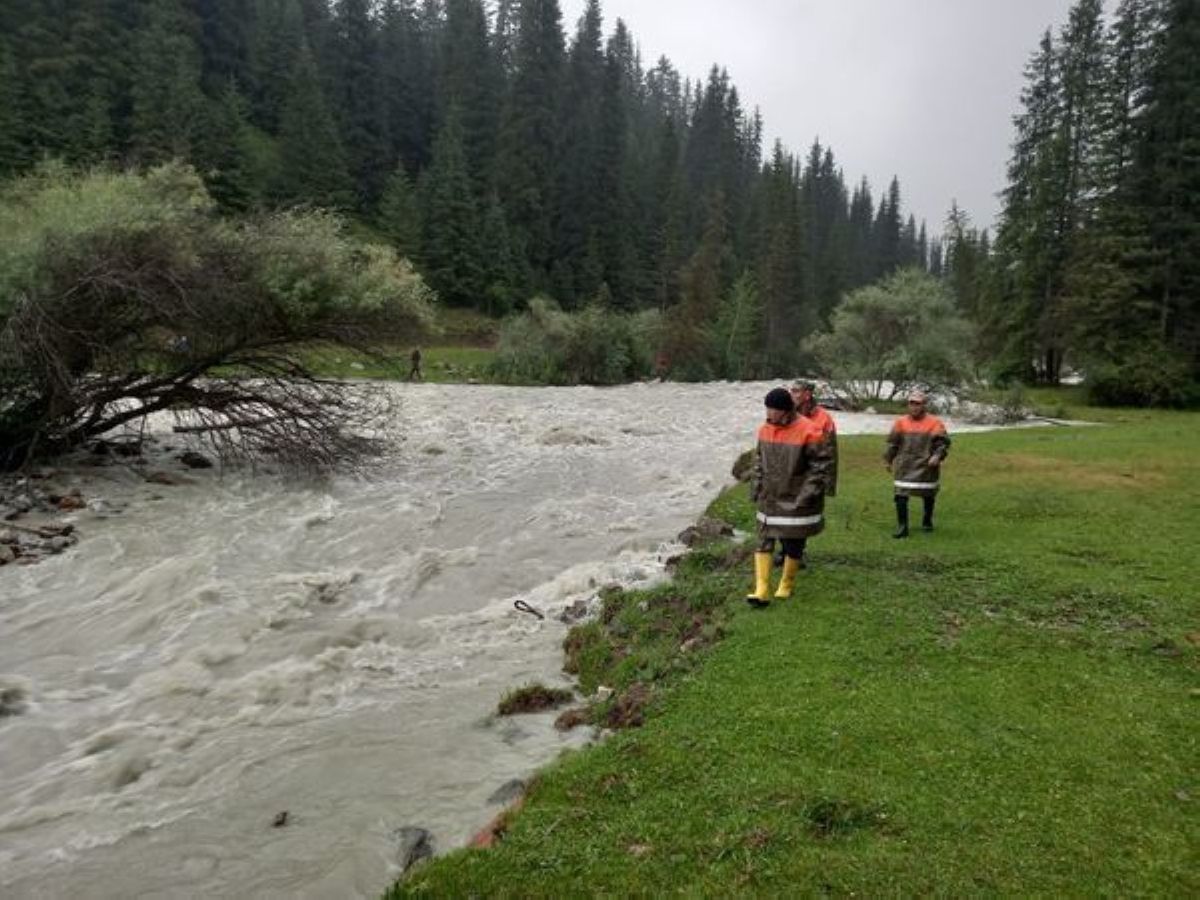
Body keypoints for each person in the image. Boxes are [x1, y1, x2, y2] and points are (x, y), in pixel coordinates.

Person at [747, 387, 832, 608]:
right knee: (763, 539)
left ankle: (786, 583)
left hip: (796, 497)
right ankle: (761, 589)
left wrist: (806, 494)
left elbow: (820, 467)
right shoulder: (765, 429)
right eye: (766, 409)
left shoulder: (810, 430)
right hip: (770, 496)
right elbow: (758, 460)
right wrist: (756, 485)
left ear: (785, 411)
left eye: (772, 410)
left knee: (793, 542)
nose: (768, 414)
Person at [773, 380, 839, 568]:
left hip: (809, 475)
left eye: (795, 391)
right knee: (780, 512)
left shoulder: (824, 419)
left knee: (802, 515)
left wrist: (827, 483)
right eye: (791, 391)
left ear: (807, 394)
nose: (791, 394)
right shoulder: (784, 413)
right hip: (785, 473)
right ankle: (784, 550)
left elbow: (830, 453)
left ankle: (796, 554)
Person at [883, 390, 950, 538]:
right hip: (905, 465)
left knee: (928, 494)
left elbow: (943, 444)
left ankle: (927, 520)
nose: (914, 407)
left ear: (924, 405)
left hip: (927, 465)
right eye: (911, 403)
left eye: (917, 404)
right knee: (900, 494)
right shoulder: (900, 422)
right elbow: (892, 443)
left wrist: (937, 456)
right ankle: (902, 526)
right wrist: (888, 459)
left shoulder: (935, 423)